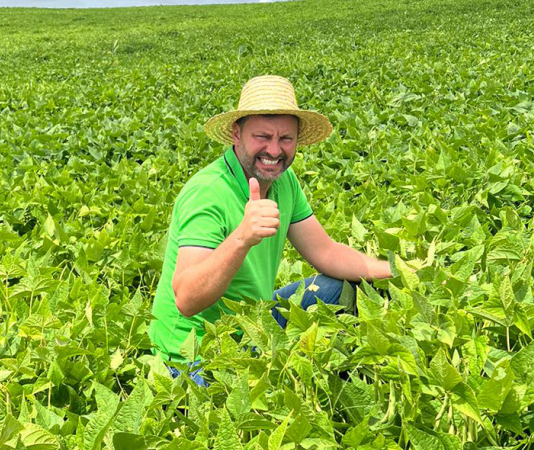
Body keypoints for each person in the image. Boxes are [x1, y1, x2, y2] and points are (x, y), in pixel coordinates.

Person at [149, 75, 391, 385]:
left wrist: (400, 272)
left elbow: (326, 252)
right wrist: (241, 238)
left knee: (343, 289)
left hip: (255, 324)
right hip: (195, 352)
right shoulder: (207, 193)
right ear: (237, 134)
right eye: (262, 136)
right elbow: (186, 299)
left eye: (285, 139)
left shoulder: (283, 182)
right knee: (235, 412)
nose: (274, 150)